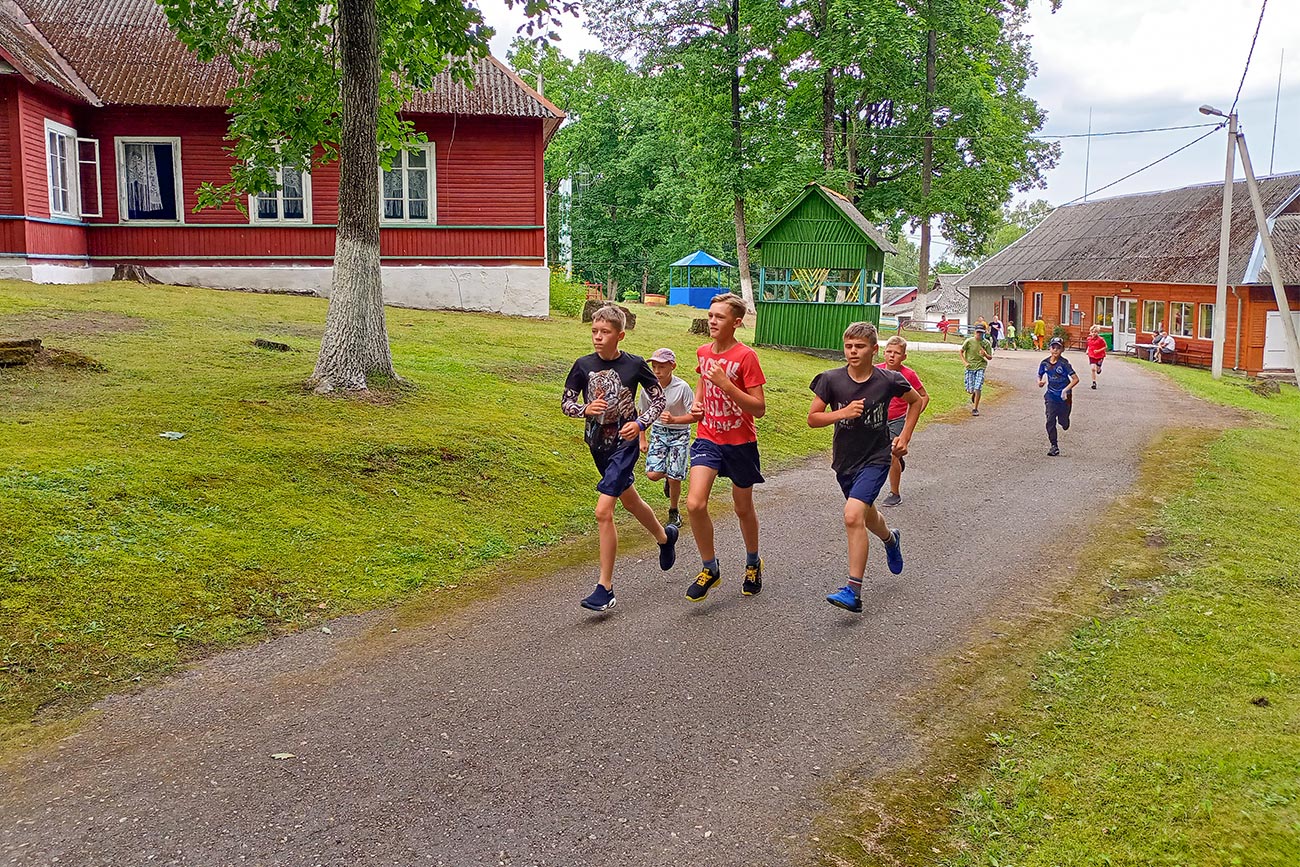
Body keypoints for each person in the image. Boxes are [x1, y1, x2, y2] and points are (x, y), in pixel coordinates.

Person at [562, 304, 678, 612]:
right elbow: (567, 402)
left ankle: (605, 588)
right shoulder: (582, 364)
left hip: (625, 443)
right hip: (598, 445)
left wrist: (640, 424)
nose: (598, 338)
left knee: (603, 511)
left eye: (605, 332)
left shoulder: (635, 364)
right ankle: (665, 538)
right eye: (594, 332)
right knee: (630, 500)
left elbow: (659, 400)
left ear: (620, 335)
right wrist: (583, 410)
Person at [808, 322, 923, 613]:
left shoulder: (889, 380)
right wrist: (843, 413)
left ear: (874, 350)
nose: (852, 352)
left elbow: (916, 401)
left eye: (859, 347)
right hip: (845, 462)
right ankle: (890, 537)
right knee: (866, 515)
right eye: (848, 346)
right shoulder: (831, 380)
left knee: (851, 515)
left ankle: (853, 591)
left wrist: (904, 436)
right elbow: (813, 418)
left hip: (877, 458)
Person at [685, 293, 768, 602]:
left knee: (742, 508)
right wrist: (698, 402)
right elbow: (703, 383)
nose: (712, 321)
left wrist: (727, 385)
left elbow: (758, 408)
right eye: (710, 315)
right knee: (695, 504)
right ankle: (710, 568)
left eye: (719, 317)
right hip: (708, 437)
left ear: (736, 322)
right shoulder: (703, 351)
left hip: (740, 443)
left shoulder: (746, 357)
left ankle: (752, 563)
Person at [638, 348, 695, 529]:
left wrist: (674, 419)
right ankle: (669, 477)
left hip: (680, 433)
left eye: (661, 367)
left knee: (675, 476)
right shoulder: (649, 389)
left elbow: (695, 415)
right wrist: (642, 438)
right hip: (659, 432)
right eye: (654, 366)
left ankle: (674, 510)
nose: (656, 371)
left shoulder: (682, 388)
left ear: (673, 366)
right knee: (652, 474)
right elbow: (643, 413)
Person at [876, 336, 930, 507]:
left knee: (891, 452)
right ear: (883, 353)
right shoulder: (876, 371)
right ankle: (898, 461)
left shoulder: (908, 374)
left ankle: (894, 493)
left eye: (897, 353)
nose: (892, 356)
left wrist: (911, 418)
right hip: (880, 420)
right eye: (889, 352)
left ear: (904, 356)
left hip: (899, 419)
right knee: (883, 454)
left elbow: (924, 396)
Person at [1038, 336, 1080, 457]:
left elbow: (1076, 379)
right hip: (1051, 395)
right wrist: (1040, 382)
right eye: (1053, 347)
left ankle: (1065, 420)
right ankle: (1054, 445)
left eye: (1058, 348)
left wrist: (1066, 390)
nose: (1055, 350)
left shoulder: (1064, 364)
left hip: (1064, 397)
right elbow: (1039, 375)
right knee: (1050, 419)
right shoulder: (1045, 363)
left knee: (1063, 422)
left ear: (1062, 350)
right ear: (1049, 348)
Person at [960, 323, 994, 416]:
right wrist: (965, 362)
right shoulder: (969, 341)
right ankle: (973, 393)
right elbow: (961, 351)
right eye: (978, 332)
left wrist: (985, 354)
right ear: (975, 332)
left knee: (978, 386)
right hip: (970, 367)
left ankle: (975, 408)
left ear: (984, 333)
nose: (980, 334)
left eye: (982, 333)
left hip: (980, 366)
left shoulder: (986, 343)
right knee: (970, 390)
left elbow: (990, 357)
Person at [1085, 324, 1107, 388]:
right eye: (1092, 332)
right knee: (1092, 369)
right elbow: (1089, 346)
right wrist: (1087, 350)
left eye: (1095, 332)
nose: (1094, 333)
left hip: (1100, 356)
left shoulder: (1101, 339)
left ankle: (1099, 369)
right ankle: (1094, 382)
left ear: (1097, 332)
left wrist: (1098, 350)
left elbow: (1105, 347)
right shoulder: (1089, 339)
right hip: (1091, 355)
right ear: (1090, 332)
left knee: (1097, 369)